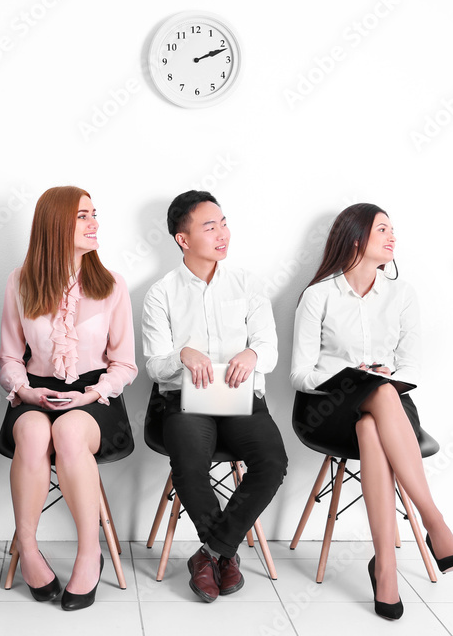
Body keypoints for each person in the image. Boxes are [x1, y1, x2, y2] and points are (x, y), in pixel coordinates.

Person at [291, 202, 453, 620]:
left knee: (376, 416)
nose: (392, 238)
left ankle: (384, 567)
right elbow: (299, 374)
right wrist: (350, 375)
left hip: (388, 409)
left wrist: (385, 375)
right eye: (382, 230)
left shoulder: (402, 294)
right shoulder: (318, 295)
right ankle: (435, 523)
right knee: (376, 396)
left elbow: (413, 366)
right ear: (356, 238)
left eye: (393, 231)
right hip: (328, 408)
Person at [142, 190, 288, 603]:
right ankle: (224, 556)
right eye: (210, 227)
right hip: (185, 402)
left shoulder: (247, 283)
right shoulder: (161, 293)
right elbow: (154, 365)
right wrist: (181, 355)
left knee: (273, 462)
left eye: (223, 223)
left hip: (241, 399)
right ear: (182, 239)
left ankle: (211, 553)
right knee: (190, 464)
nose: (222, 233)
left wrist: (252, 353)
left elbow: (270, 351)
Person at [0, 186, 137, 611]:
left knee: (72, 433)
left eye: (95, 214)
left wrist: (90, 394)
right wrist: (23, 389)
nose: (94, 223)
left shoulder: (112, 285)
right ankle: (28, 546)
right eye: (83, 216)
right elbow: (8, 356)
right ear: (55, 224)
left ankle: (88, 553)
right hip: (35, 391)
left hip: (96, 396)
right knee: (37, 436)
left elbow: (125, 365)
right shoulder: (20, 281)